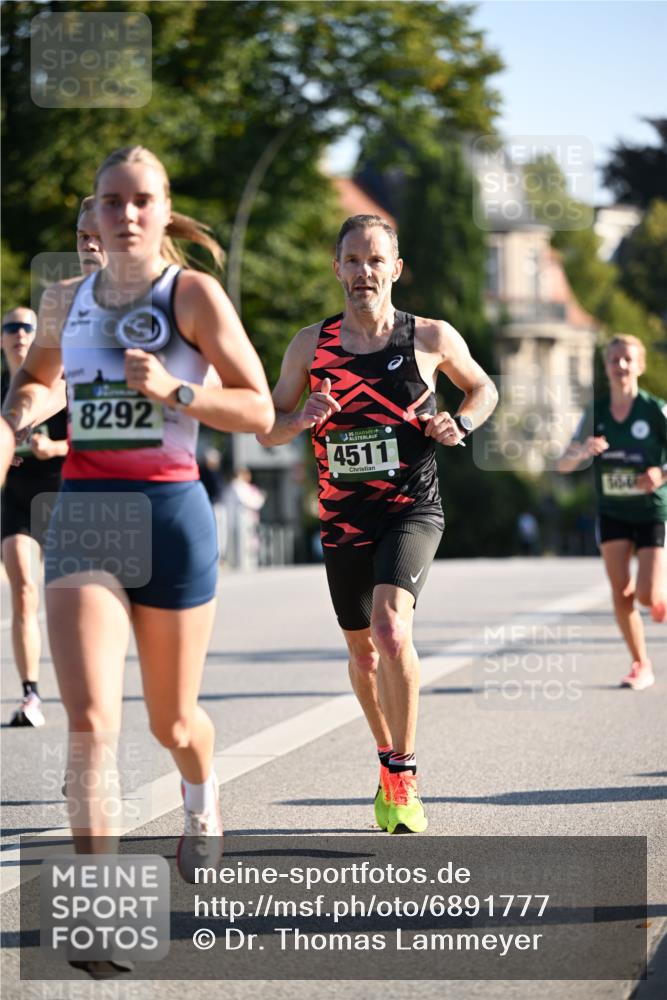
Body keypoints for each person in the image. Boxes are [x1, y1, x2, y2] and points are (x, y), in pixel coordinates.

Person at [2, 147, 273, 904]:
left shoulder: (191, 296)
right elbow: (35, 383)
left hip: (171, 514)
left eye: (141, 200)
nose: (125, 214)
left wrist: (178, 392)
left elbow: (258, 407)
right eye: (111, 201)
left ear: (163, 211)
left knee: (173, 721)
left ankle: (201, 795)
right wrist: (13, 418)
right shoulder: (62, 302)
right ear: (91, 215)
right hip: (86, 514)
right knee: (89, 723)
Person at [258, 214, 497, 834]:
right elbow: (268, 424)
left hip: (411, 506)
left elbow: (483, 389)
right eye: (352, 261)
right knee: (363, 655)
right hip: (343, 518)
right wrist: (300, 417)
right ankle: (386, 759)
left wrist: (460, 424)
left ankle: (403, 774)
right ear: (336, 268)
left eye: (375, 260)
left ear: (395, 268)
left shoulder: (431, 337)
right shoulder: (310, 346)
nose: (363, 272)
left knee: (392, 630)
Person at [558, 334, 667, 690]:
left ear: (640, 365)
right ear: (605, 367)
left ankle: (658, 596)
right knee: (620, 593)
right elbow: (563, 464)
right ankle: (640, 664)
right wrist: (583, 450)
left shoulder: (655, 410)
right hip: (612, 510)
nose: (619, 365)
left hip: (651, 510)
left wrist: (661, 474)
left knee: (647, 596)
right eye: (613, 359)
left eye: (626, 359)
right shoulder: (596, 412)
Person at [1, 306, 68, 727]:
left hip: (62, 496)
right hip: (16, 501)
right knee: (24, 588)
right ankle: (30, 694)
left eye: (29, 326)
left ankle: (86, 693)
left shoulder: (57, 384)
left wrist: (53, 448)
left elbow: (93, 443)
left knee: (67, 602)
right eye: (11, 327)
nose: (21, 333)